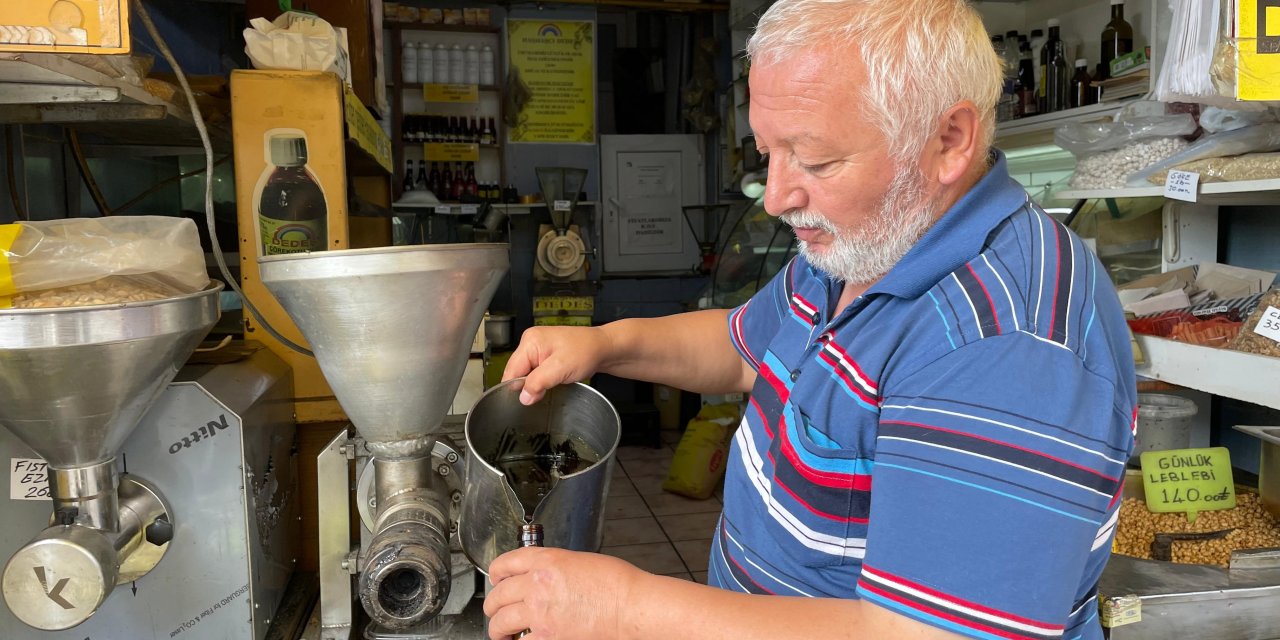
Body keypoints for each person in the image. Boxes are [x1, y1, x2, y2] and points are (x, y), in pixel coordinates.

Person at [484, 0, 1137, 638]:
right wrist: (603, 344)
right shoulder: (863, 245)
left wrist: (628, 610)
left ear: (949, 140)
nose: (776, 197)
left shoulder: (1006, 343)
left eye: (816, 161)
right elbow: (744, 350)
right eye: (768, 152)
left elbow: (920, 633)